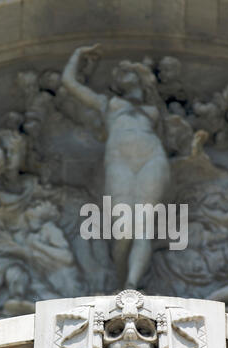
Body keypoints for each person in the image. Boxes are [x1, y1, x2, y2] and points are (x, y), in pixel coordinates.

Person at [62, 44, 170, 289]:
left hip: (152, 158)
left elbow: (168, 138)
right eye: (119, 73)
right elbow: (70, 83)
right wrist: (77, 56)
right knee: (123, 229)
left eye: (127, 71)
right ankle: (119, 282)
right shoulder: (107, 103)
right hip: (119, 160)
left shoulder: (154, 109)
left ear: (140, 77)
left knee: (142, 227)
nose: (122, 74)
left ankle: (131, 284)